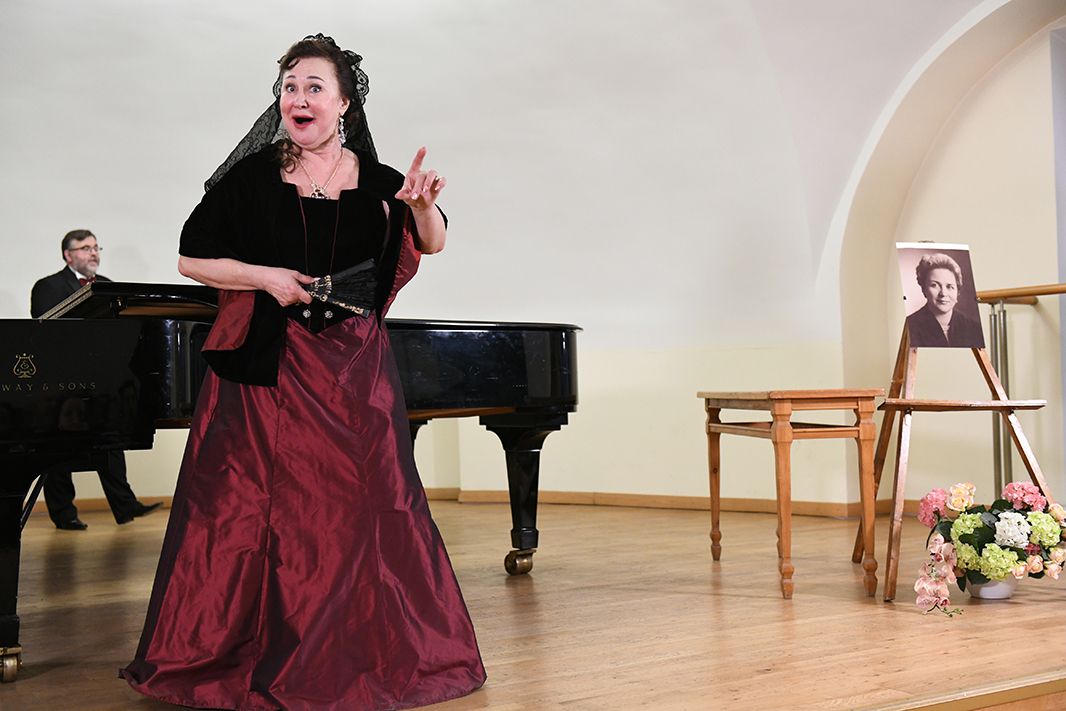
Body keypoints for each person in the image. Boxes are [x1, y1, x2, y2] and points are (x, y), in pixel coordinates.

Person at [121, 35, 486, 710]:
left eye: (314, 86)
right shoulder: (252, 177)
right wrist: (265, 277)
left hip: (354, 372)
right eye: (290, 86)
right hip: (267, 370)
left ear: (344, 103)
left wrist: (421, 204)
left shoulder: (381, 180)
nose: (299, 97)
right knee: (261, 512)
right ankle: (260, 648)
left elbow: (431, 242)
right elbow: (190, 258)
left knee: (362, 511)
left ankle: (356, 651)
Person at [30, 229, 162, 530]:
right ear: (68, 255)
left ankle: (125, 506)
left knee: (111, 441)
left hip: (101, 380)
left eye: (96, 247)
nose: (93, 253)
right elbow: (45, 330)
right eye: (85, 248)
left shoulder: (107, 287)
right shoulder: (48, 286)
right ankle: (64, 513)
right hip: (61, 381)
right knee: (57, 449)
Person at [905, 252, 985, 348]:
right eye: (934, 285)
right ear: (923, 289)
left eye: (949, 286)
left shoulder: (973, 328)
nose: (943, 293)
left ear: (958, 291)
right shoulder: (910, 326)